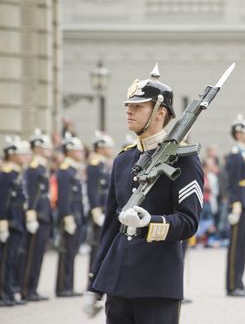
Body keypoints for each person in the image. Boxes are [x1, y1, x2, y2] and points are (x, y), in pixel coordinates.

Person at [85, 64, 203, 324]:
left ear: (160, 112)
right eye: (129, 105)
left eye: (138, 106)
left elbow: (188, 221)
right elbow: (110, 227)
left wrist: (150, 223)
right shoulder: (123, 159)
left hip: (157, 281)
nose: (129, 110)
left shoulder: (184, 159)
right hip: (117, 278)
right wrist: (94, 283)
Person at [21, 130, 53, 301]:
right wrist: (31, 215)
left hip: (44, 215)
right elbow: (32, 194)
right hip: (37, 216)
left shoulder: (41, 167)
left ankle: (33, 288)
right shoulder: (34, 169)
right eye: (45, 147)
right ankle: (26, 289)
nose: (49, 150)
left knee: (39, 255)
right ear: (38, 148)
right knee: (32, 255)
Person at [0, 136, 31, 306]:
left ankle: (10, 291)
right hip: (9, 223)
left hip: (18, 222)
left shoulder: (17, 173)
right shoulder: (6, 174)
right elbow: (3, 200)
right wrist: (3, 223)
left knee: (13, 260)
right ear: (11, 155)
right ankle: (3, 293)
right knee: (5, 260)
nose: (26, 157)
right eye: (22, 154)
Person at [225, 114, 245, 297]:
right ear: (238, 133)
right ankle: (232, 284)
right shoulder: (235, 156)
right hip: (238, 205)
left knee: (243, 247)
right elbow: (232, 183)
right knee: (235, 248)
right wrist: (234, 204)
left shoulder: (244, 154)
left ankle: (239, 282)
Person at [55, 135, 85, 297]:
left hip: (77, 216)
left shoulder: (73, 169)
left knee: (71, 253)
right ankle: (62, 287)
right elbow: (64, 196)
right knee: (65, 253)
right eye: (77, 150)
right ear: (69, 151)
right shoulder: (65, 170)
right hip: (70, 218)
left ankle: (69, 285)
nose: (80, 153)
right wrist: (67, 217)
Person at [86, 132, 114, 272]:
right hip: (99, 210)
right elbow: (92, 189)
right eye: (108, 147)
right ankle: (92, 277)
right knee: (96, 246)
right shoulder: (95, 165)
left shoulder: (104, 163)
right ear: (100, 148)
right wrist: (96, 211)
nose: (110, 149)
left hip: (106, 209)